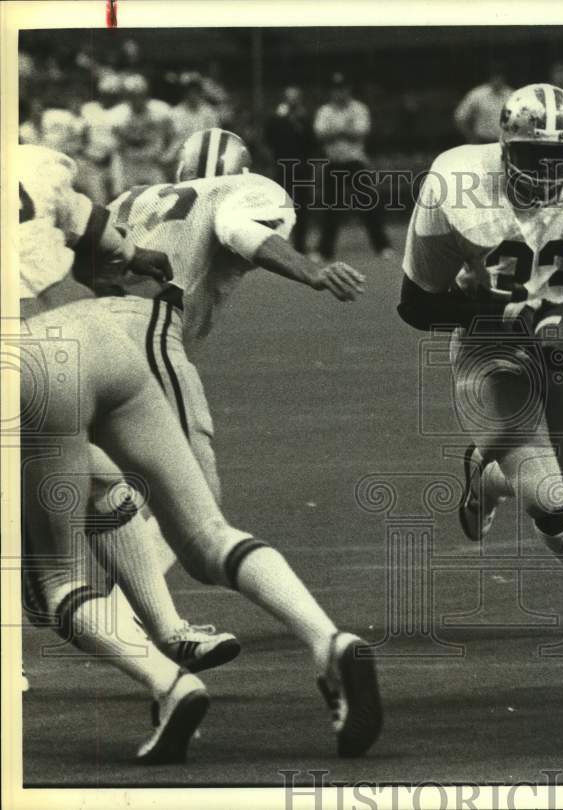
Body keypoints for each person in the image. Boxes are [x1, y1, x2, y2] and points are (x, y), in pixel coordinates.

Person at [19, 142, 383, 764]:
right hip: (109, 335)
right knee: (194, 525)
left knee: (52, 580)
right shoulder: (30, 162)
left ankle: (171, 680)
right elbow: (120, 245)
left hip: (30, 355)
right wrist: (305, 269)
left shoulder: (141, 192)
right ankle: (325, 641)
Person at [397, 83, 563, 638]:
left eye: (559, 157)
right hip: (492, 347)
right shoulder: (456, 184)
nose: (546, 169)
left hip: (561, 346)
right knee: (548, 495)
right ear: (504, 147)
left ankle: (485, 478)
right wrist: (505, 314)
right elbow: (414, 305)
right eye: (534, 155)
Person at [313, 72, 391, 260]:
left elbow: (361, 132)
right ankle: (324, 251)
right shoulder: (324, 111)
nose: (340, 92)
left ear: (348, 89)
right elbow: (319, 133)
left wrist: (336, 131)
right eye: (336, 89)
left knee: (368, 205)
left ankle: (382, 246)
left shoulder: (359, 108)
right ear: (331, 91)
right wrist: (345, 130)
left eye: (343, 88)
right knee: (332, 207)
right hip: (334, 163)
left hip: (355, 162)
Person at [265, 85, 317, 252]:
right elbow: (270, 138)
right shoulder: (278, 117)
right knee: (282, 206)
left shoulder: (305, 118)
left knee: (302, 206)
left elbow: (312, 141)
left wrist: (300, 121)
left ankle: (300, 245)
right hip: (283, 166)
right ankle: (279, 244)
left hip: (302, 166)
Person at [114, 73, 173, 188]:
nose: (136, 99)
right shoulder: (118, 115)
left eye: (140, 95)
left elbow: (172, 135)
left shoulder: (160, 110)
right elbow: (118, 144)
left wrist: (167, 155)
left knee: (160, 200)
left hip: (153, 164)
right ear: (126, 97)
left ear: (146, 94)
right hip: (130, 166)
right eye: (132, 96)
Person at [78, 72, 127, 205]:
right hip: (92, 158)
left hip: (116, 159)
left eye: (112, 95)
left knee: (119, 198)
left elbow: (124, 137)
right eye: (105, 94)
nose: (108, 98)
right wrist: (88, 153)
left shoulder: (123, 110)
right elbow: (82, 135)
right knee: (98, 201)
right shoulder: (89, 108)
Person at [167, 73, 221, 162]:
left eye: (196, 90)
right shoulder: (174, 113)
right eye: (189, 90)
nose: (192, 94)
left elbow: (216, 140)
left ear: (200, 91)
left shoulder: (210, 113)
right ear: (184, 92)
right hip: (181, 159)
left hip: (205, 159)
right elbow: (171, 141)